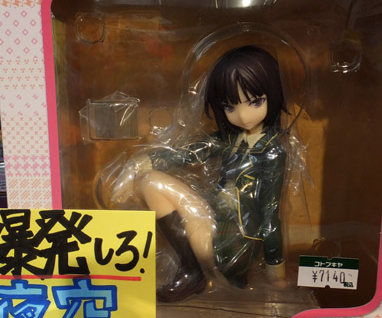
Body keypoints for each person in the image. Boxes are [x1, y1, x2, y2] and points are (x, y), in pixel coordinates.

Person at [115, 45, 289, 302]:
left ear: (272, 96)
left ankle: (193, 272)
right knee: (151, 182)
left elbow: (270, 215)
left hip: (233, 245)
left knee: (152, 184)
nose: (243, 115)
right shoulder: (229, 139)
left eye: (255, 102)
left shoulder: (272, 152)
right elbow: (190, 153)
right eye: (230, 107)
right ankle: (193, 270)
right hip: (213, 222)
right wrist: (143, 162)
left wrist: (276, 272)